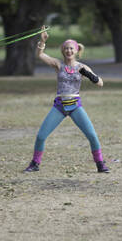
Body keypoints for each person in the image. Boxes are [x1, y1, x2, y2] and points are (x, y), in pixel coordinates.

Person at [23, 29, 110, 173]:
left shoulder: (82, 67)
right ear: (63, 51)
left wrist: (88, 75)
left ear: (76, 50)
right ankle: (35, 163)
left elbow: (100, 83)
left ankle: (100, 164)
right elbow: (40, 55)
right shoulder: (58, 65)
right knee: (41, 136)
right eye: (66, 48)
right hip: (60, 106)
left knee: (92, 136)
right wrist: (43, 41)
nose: (68, 51)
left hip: (75, 106)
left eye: (71, 48)